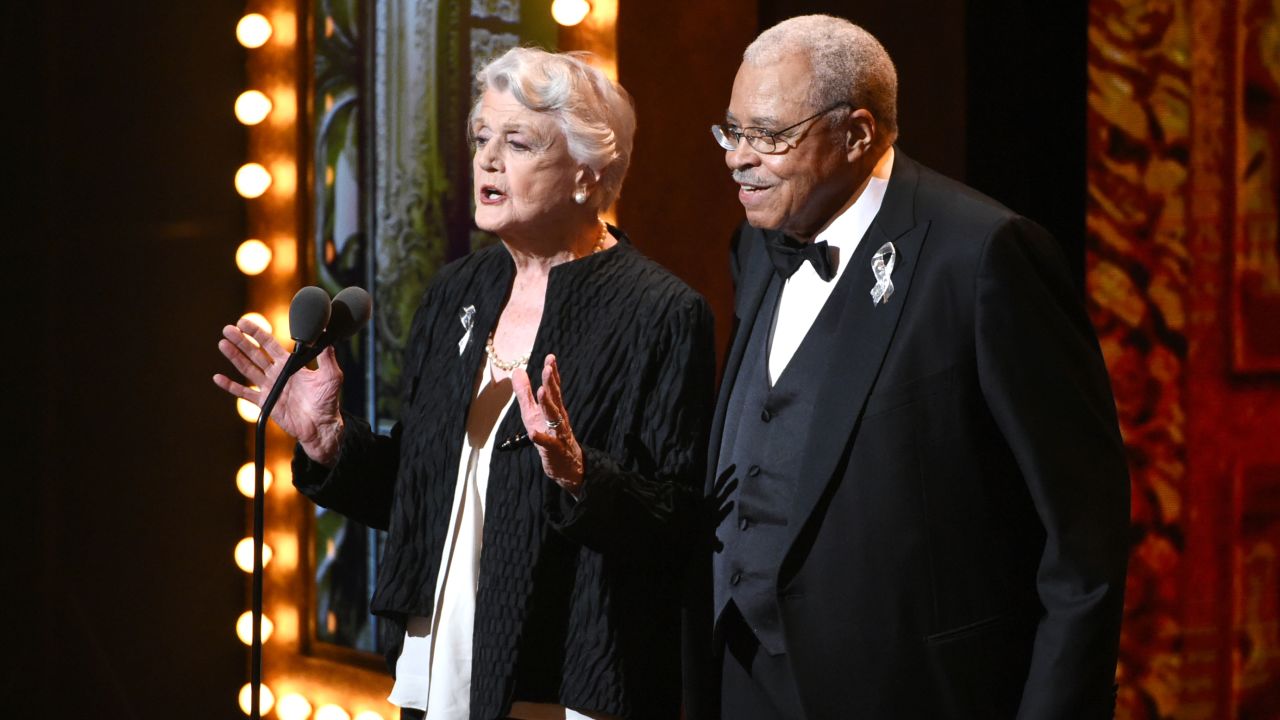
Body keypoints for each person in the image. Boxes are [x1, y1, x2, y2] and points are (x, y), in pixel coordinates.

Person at [215, 47, 715, 720]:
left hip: (566, 677)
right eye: (482, 136)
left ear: (586, 176)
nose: (487, 158)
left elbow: (676, 522)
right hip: (442, 660)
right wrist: (331, 441)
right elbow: (424, 494)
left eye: (518, 142)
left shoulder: (660, 313)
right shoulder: (458, 290)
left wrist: (578, 476)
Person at [686, 15, 1131, 720]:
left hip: (912, 691)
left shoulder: (985, 256)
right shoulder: (756, 245)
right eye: (731, 131)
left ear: (857, 133)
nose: (739, 158)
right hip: (743, 679)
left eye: (769, 136)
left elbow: (1084, 540)